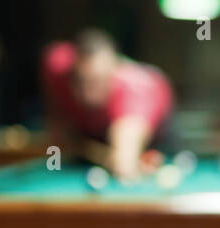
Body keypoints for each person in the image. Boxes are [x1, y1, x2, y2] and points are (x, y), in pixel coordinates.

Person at [41, 29, 174, 181]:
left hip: (155, 141)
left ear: (114, 72)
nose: (87, 95)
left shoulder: (135, 91)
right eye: (80, 81)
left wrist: (124, 160)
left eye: (97, 82)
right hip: (89, 133)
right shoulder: (57, 65)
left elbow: (124, 166)